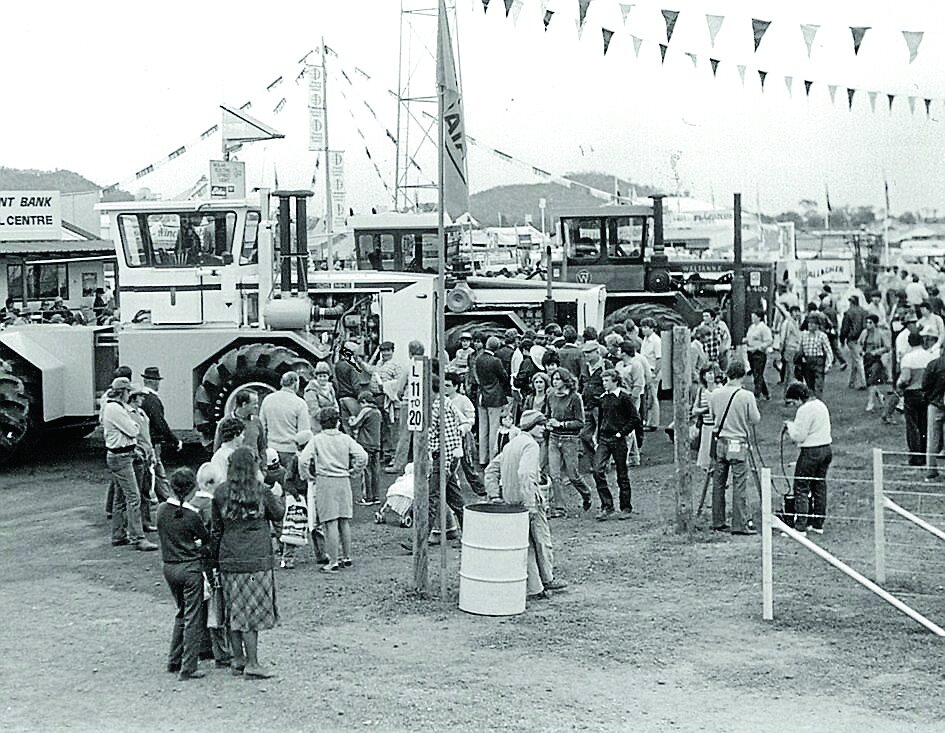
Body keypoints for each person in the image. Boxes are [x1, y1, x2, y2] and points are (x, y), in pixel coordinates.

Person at [210, 447, 284, 678]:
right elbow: (278, 514)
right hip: (256, 559)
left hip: (229, 558)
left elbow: (216, 530)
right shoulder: (261, 491)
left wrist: (214, 560)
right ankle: (253, 663)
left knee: (234, 609)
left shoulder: (221, 492)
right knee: (250, 612)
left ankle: (238, 659)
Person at [484, 409, 567, 602]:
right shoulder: (530, 445)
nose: (543, 429)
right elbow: (526, 474)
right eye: (540, 425)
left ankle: (534, 587)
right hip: (529, 503)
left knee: (525, 545)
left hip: (510, 502)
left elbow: (490, 471)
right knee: (541, 541)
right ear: (531, 427)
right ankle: (547, 579)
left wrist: (495, 495)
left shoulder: (512, 445)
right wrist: (530, 504)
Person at [156, 467, 211, 680]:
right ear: (192, 489)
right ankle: (189, 666)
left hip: (169, 567)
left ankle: (174, 659)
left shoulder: (161, 510)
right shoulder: (191, 516)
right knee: (193, 617)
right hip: (190, 568)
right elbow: (205, 540)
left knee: (181, 612)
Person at [298, 407, 367, 572]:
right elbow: (362, 456)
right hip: (343, 480)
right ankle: (347, 556)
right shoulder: (346, 439)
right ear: (337, 422)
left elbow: (303, 460)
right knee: (344, 520)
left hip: (325, 480)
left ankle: (333, 560)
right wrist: (355, 471)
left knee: (330, 522)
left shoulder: (317, 440)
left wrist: (307, 475)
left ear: (321, 423)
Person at [103, 377, 158, 551]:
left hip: (121, 455)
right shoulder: (116, 409)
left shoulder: (114, 408)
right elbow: (133, 430)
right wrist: (133, 425)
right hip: (121, 457)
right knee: (134, 497)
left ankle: (118, 534)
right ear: (123, 393)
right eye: (129, 392)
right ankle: (138, 538)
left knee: (120, 498)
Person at [708, 361, 761, 535]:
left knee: (718, 483)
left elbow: (712, 414)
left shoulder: (715, 394)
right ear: (742, 375)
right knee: (739, 482)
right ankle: (740, 523)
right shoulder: (746, 395)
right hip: (737, 441)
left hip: (720, 440)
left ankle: (718, 520)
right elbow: (755, 419)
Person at [190, 462, 232, 669]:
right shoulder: (211, 507)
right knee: (217, 608)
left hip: (191, 563)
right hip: (210, 564)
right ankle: (222, 653)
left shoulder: (190, 504)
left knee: (199, 607)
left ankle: (202, 647)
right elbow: (214, 537)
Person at [593, 369, 642, 521]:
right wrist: (598, 435)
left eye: (607, 380)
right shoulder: (603, 398)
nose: (604, 384)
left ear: (615, 381)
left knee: (622, 473)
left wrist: (622, 433)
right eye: (603, 381)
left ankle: (626, 507)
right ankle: (607, 505)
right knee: (597, 470)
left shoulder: (623, 398)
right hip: (604, 438)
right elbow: (601, 418)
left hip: (618, 439)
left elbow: (635, 418)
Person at [784, 382, 832, 536]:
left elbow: (799, 435)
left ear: (799, 398)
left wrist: (790, 427)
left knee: (801, 486)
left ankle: (800, 527)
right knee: (819, 485)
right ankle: (817, 524)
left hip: (811, 450)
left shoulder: (804, 410)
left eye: (794, 402)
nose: (794, 405)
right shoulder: (820, 404)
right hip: (826, 448)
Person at [546, 368, 592, 515]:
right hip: (554, 438)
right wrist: (548, 423)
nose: (555, 382)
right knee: (554, 475)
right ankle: (560, 507)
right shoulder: (551, 395)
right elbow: (548, 414)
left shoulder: (575, 398)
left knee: (572, 475)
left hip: (570, 440)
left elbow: (580, 422)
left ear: (566, 381)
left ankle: (586, 493)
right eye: (553, 379)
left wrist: (562, 424)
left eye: (558, 379)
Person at [427, 372, 467, 543]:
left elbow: (449, 439)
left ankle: (420, 538)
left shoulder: (441, 407)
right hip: (443, 458)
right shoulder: (439, 405)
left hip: (443, 458)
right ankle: (469, 533)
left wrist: (444, 465)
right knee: (455, 500)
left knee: (432, 498)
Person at [443, 371, 486, 498]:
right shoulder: (441, 400)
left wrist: (463, 428)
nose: (445, 388)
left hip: (463, 436)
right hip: (447, 437)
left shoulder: (463, 400)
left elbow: (471, 418)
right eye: (443, 385)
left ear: (456, 386)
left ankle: (481, 489)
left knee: (468, 465)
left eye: (448, 385)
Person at [140, 367, 178, 502]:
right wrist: (174, 440)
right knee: (157, 471)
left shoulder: (139, 397)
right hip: (153, 441)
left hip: (142, 441)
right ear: (153, 382)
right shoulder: (153, 400)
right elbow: (160, 423)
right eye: (157, 381)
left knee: (149, 472)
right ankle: (166, 499)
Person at [387, 340, 425, 474]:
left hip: (408, 402)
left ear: (410, 352)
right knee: (421, 434)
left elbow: (399, 388)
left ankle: (398, 464)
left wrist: (399, 395)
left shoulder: (408, 366)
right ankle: (421, 462)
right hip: (423, 403)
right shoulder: (426, 365)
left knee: (404, 435)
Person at [259, 371, 311, 467]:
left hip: (271, 449)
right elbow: (303, 434)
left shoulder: (268, 399)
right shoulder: (300, 403)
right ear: (295, 384)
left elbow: (261, 426)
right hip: (290, 450)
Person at [898, 332, 934, 465]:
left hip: (912, 393)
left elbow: (905, 378)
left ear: (909, 342)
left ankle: (915, 456)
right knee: (924, 425)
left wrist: (900, 386)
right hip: (926, 393)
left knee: (912, 426)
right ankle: (925, 454)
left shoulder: (908, 358)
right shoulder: (929, 357)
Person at [475, 336, 511, 466]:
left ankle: (482, 458)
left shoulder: (478, 359)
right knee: (493, 429)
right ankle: (492, 458)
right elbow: (504, 377)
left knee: (482, 429)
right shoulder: (496, 361)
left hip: (481, 395)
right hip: (494, 396)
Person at [126, 386, 157, 531]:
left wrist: (152, 453)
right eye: (141, 396)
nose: (143, 399)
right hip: (138, 455)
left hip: (146, 453)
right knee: (137, 491)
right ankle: (136, 524)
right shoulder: (128, 414)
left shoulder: (142, 413)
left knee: (145, 489)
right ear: (134, 397)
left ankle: (145, 522)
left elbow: (147, 436)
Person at [372, 341, 404, 465]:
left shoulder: (395, 365)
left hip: (388, 399)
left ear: (392, 351)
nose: (385, 353)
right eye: (383, 351)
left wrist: (386, 387)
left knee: (392, 427)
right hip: (377, 399)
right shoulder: (379, 364)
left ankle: (394, 455)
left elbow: (399, 382)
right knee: (382, 427)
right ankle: (386, 453)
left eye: (387, 350)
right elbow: (371, 371)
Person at [348, 391, 382, 506]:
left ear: (363, 401)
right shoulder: (377, 412)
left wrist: (351, 419)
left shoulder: (365, 410)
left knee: (366, 471)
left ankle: (367, 497)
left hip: (366, 444)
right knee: (375, 471)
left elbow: (354, 425)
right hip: (376, 444)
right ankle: (376, 496)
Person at [213, 390, 266, 460]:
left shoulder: (257, 421)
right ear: (244, 404)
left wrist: (263, 465)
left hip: (254, 467)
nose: (257, 406)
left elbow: (262, 447)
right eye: (254, 404)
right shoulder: (224, 422)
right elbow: (217, 449)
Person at [334, 341, 373, 432]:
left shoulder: (338, 365)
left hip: (341, 398)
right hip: (351, 398)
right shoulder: (351, 366)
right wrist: (361, 398)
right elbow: (355, 385)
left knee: (346, 425)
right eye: (355, 352)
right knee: (357, 424)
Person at [579, 339, 605, 473]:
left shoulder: (606, 366)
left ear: (597, 352)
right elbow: (581, 384)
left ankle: (602, 464)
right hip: (588, 406)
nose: (587, 356)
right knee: (584, 435)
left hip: (602, 407)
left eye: (589, 353)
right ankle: (594, 462)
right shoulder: (585, 367)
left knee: (603, 436)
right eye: (585, 353)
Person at [921, 345, 945, 480]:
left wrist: (930, 397)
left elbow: (925, 384)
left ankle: (931, 470)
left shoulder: (933, 364)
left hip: (935, 403)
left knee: (932, 438)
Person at [859, 314, 890, 412]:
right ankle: (880, 395)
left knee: (872, 379)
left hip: (876, 359)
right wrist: (862, 351)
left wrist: (876, 352)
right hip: (866, 358)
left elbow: (887, 347)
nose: (868, 325)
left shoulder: (881, 333)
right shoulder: (864, 333)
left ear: (875, 324)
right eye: (867, 322)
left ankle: (870, 402)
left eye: (870, 323)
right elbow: (860, 343)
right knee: (869, 381)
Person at [797, 316, 833, 397]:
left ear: (817, 325)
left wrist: (828, 364)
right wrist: (801, 357)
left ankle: (818, 401)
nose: (810, 325)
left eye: (813, 323)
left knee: (818, 384)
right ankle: (811, 401)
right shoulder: (803, 335)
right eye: (809, 323)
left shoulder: (822, 336)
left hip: (818, 361)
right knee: (809, 384)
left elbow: (828, 351)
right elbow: (800, 348)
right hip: (807, 361)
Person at [744, 310, 773, 400]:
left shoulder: (763, 328)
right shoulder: (751, 327)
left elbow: (768, 341)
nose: (752, 318)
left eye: (754, 316)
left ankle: (757, 394)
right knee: (756, 373)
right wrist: (746, 340)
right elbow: (750, 338)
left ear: (759, 318)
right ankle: (766, 393)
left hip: (759, 353)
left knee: (758, 373)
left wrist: (759, 347)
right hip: (750, 352)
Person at [840, 295, 867, 390]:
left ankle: (863, 382)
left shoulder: (849, 313)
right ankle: (852, 381)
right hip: (863, 337)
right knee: (856, 360)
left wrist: (842, 340)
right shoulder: (864, 311)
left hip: (853, 338)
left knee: (857, 360)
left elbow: (845, 328)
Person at [639, 318, 662, 428]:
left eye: (646, 327)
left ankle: (653, 423)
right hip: (645, 370)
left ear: (652, 328)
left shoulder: (656, 341)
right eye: (642, 327)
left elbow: (659, 359)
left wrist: (655, 373)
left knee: (653, 397)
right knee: (647, 397)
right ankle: (648, 421)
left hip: (652, 371)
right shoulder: (645, 339)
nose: (643, 330)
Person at [304, 361, 338, 433]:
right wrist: (328, 420)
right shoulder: (311, 390)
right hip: (318, 425)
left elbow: (335, 404)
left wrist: (336, 417)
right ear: (316, 377)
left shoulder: (330, 387)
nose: (322, 379)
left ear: (328, 376)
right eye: (320, 376)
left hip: (332, 425)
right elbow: (314, 411)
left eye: (324, 376)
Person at [778, 305, 802, 390]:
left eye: (798, 312)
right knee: (790, 373)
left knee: (790, 373)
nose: (797, 314)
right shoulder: (788, 323)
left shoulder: (796, 323)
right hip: (789, 349)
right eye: (795, 312)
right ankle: (789, 394)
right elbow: (783, 337)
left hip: (794, 350)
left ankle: (788, 394)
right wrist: (781, 350)